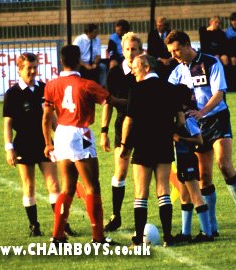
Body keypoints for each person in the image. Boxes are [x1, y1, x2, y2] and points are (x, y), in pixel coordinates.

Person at [165, 30, 236, 237]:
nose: (173, 55)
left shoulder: (211, 62)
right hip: (196, 126)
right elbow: (167, 96)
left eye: (176, 50)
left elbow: (219, 94)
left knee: (224, 164)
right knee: (204, 177)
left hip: (217, 119)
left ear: (187, 45)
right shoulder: (177, 72)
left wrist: (201, 111)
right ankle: (212, 227)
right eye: (171, 51)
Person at [42, 45, 117, 245]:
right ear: (79, 61)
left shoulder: (51, 85)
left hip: (61, 134)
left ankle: (57, 236)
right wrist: (104, 130)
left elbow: (46, 118)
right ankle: (98, 238)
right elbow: (108, 101)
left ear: (61, 61)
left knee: (67, 188)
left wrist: (48, 144)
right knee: (93, 187)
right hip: (80, 132)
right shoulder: (86, 84)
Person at [3, 52, 76, 238]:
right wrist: (9, 148)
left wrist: (61, 138)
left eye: (35, 67)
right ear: (19, 69)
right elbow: (8, 124)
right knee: (28, 186)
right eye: (29, 68)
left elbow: (52, 118)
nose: (33, 71)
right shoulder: (12, 94)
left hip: (45, 144)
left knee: (54, 184)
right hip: (23, 145)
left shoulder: (45, 88)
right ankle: (34, 225)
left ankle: (62, 226)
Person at [120, 54, 182, 247]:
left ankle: (138, 239)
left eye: (135, 67)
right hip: (163, 144)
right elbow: (180, 119)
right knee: (163, 190)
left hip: (143, 144)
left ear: (147, 67)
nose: (132, 71)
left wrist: (124, 145)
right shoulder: (170, 89)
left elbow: (129, 120)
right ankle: (168, 237)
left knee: (141, 192)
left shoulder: (136, 89)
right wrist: (170, 132)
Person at [100, 32, 142, 232]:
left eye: (134, 49)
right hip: (122, 126)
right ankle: (116, 216)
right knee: (121, 171)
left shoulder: (145, 71)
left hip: (144, 126)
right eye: (127, 49)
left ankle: (139, 221)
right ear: (122, 50)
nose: (131, 53)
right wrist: (103, 131)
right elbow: (107, 103)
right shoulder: (115, 74)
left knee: (141, 174)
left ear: (141, 51)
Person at [173, 97, 213, 243]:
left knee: (196, 196)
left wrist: (180, 139)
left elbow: (199, 140)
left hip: (188, 159)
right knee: (184, 198)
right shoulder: (180, 116)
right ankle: (186, 233)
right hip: (181, 160)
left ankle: (207, 233)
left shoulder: (189, 118)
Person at [147, 16, 177, 81]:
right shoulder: (152, 34)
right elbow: (150, 51)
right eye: (157, 25)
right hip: (158, 62)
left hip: (171, 61)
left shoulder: (172, 34)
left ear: (166, 26)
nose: (158, 27)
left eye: (160, 26)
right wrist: (161, 59)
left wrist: (169, 59)